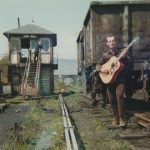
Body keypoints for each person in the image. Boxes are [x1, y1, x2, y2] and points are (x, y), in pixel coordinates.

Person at [100, 34, 129, 127]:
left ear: (115, 42)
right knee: (112, 99)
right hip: (110, 80)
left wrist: (125, 57)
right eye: (109, 41)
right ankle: (115, 118)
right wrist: (101, 69)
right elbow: (98, 65)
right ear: (107, 43)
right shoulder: (105, 55)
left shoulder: (122, 52)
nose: (111, 42)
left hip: (120, 79)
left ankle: (122, 118)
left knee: (119, 95)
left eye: (113, 41)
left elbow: (127, 63)